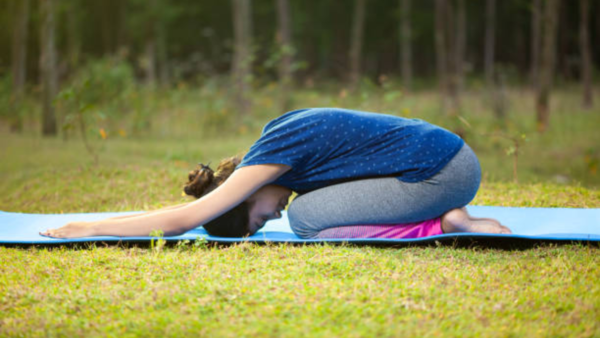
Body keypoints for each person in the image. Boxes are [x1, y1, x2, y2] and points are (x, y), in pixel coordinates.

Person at [40, 108, 511, 239]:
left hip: (442, 173)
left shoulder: (271, 156)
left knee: (307, 220)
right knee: (308, 211)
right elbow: (190, 211)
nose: (273, 216)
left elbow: (187, 219)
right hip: (447, 161)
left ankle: (449, 222)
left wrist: (92, 225)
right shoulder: (276, 141)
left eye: (259, 219)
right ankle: (448, 214)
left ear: (243, 193)